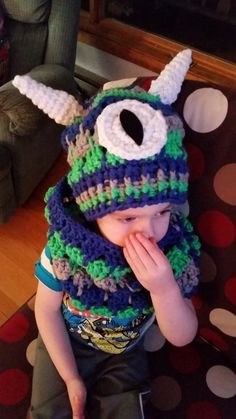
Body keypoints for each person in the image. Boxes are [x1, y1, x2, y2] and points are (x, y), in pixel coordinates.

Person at [13, 49, 201, 419]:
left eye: (162, 211)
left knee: (127, 408)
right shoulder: (67, 250)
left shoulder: (171, 249)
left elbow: (182, 336)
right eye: (127, 217)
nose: (148, 231)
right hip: (65, 344)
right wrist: (70, 379)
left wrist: (163, 288)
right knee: (48, 410)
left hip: (126, 354)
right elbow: (48, 313)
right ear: (90, 210)